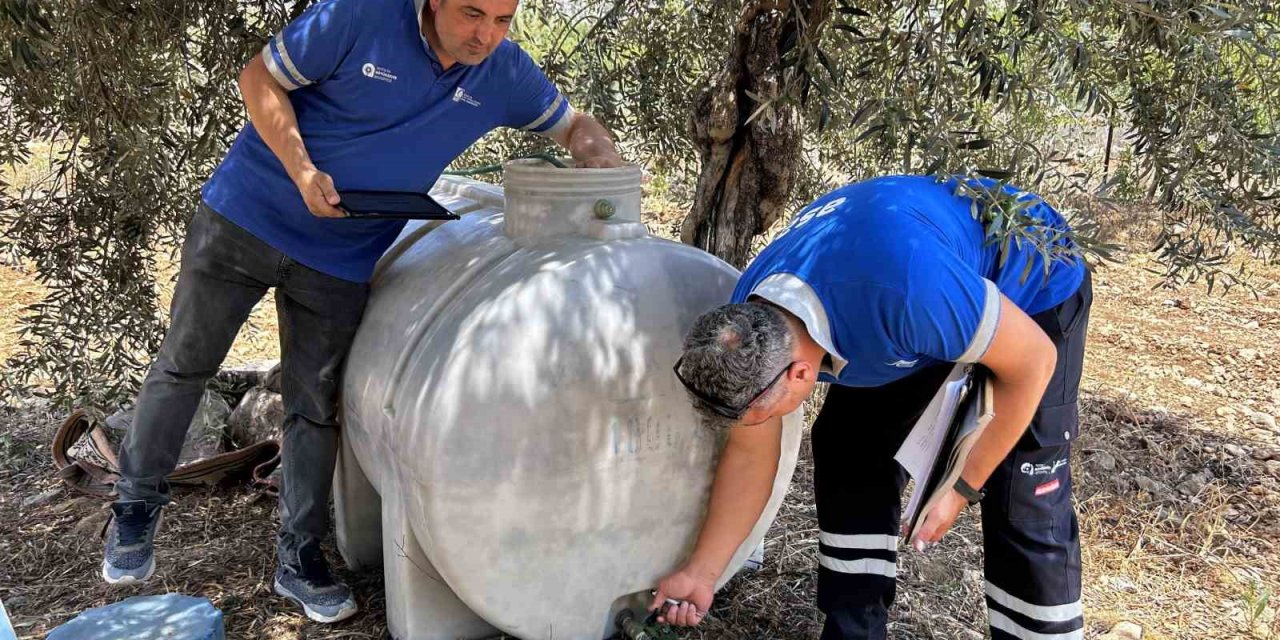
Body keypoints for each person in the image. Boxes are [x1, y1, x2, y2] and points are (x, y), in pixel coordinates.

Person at [100, 0, 622, 624]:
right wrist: (301, 169)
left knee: (315, 409)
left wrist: (600, 161)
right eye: (472, 14)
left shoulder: (502, 70)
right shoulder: (357, 17)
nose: (485, 34)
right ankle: (134, 511)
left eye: (503, 20)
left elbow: (574, 125)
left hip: (342, 256)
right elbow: (258, 77)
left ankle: (299, 558)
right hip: (244, 222)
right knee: (185, 366)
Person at [653, 175, 1091, 640]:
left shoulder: (908, 296)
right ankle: (854, 630)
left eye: (760, 416)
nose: (754, 428)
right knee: (849, 448)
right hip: (900, 296)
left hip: (1036, 277)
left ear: (800, 375)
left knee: (1022, 491)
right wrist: (702, 574)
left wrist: (961, 487)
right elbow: (748, 455)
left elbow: (1033, 361)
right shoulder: (748, 327)